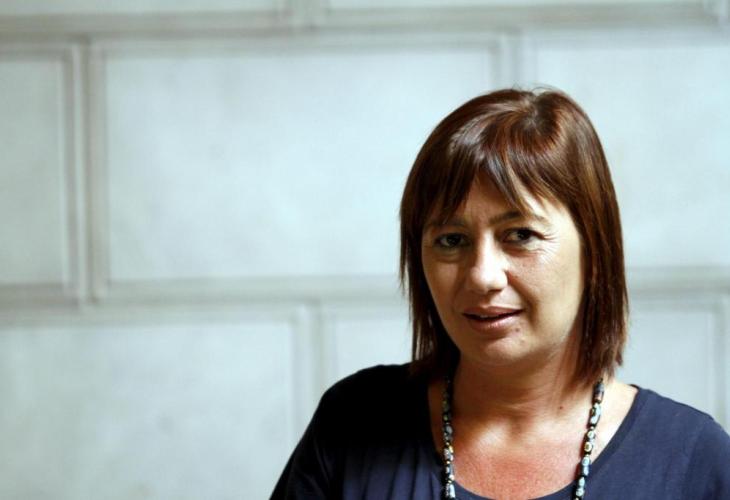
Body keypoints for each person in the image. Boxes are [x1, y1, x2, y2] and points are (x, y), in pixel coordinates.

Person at [271, 88, 730, 499]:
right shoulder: (353, 424)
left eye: (521, 235)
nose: (482, 276)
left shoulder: (693, 461)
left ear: (594, 249)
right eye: (451, 240)